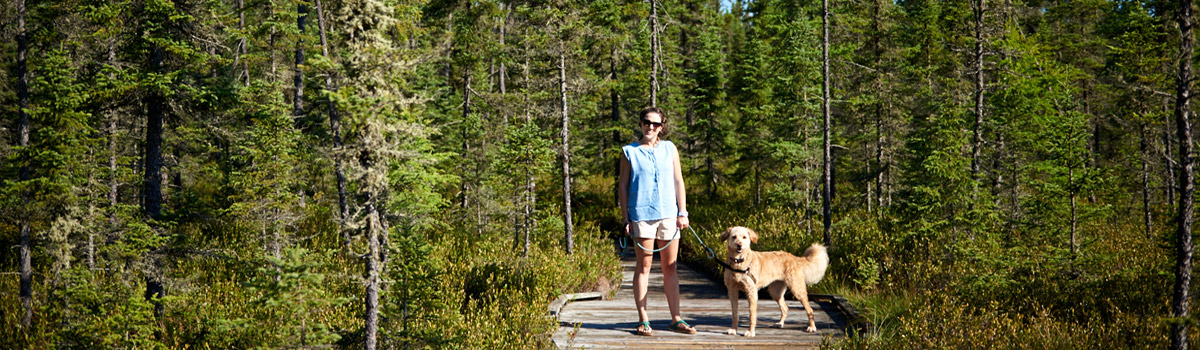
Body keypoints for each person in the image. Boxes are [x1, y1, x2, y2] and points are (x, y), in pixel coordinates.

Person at [618, 106, 696, 336]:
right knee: (644, 267)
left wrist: (683, 212)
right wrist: (625, 218)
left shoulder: (670, 149)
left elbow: (678, 181)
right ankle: (643, 320)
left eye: (655, 124)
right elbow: (622, 185)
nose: (650, 127)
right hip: (641, 216)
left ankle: (676, 319)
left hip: (669, 216)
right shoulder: (628, 152)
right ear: (640, 123)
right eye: (646, 122)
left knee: (670, 267)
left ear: (662, 127)